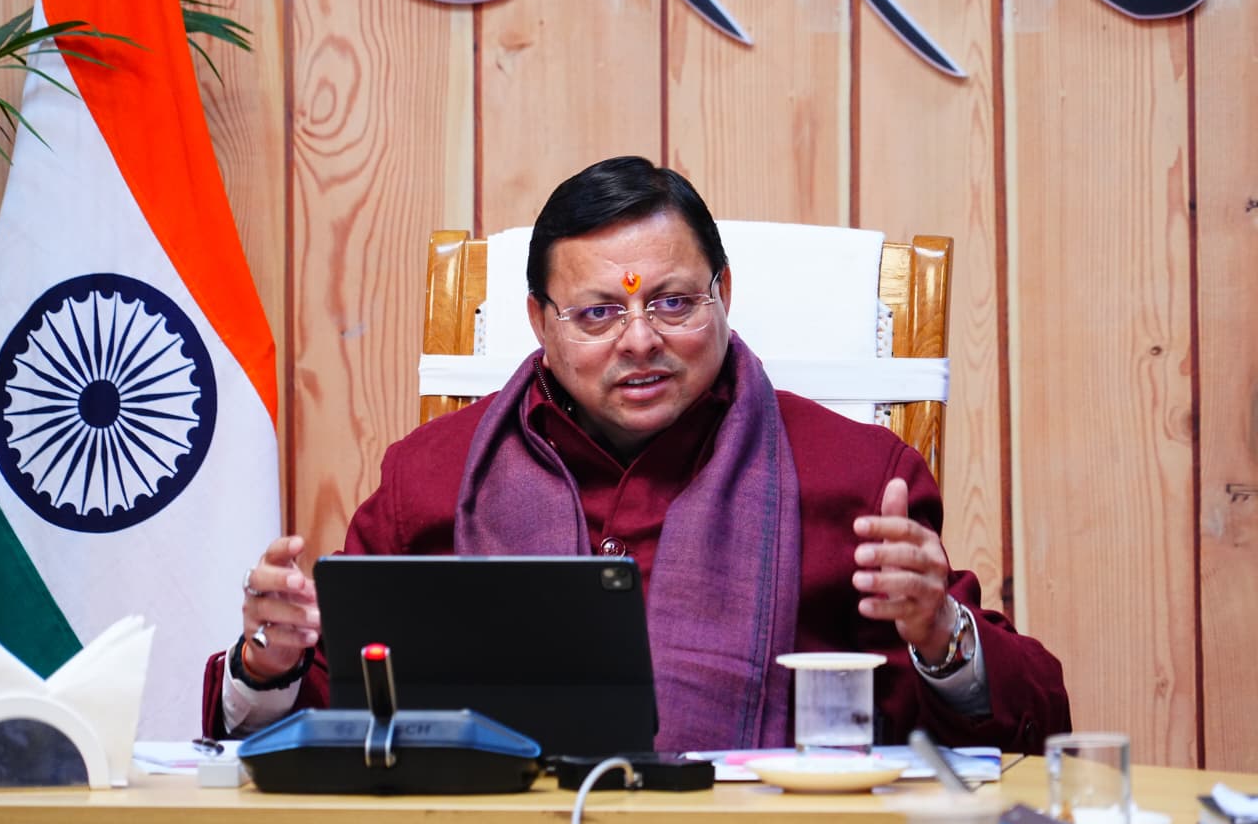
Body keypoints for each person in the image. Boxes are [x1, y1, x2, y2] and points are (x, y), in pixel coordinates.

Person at [203, 156, 1070, 751]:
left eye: (673, 302)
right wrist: (265, 664)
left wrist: (940, 633)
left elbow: (1031, 718)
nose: (641, 339)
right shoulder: (428, 478)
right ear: (539, 322)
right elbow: (321, 719)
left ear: (724, 293)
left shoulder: (857, 478)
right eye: (598, 313)